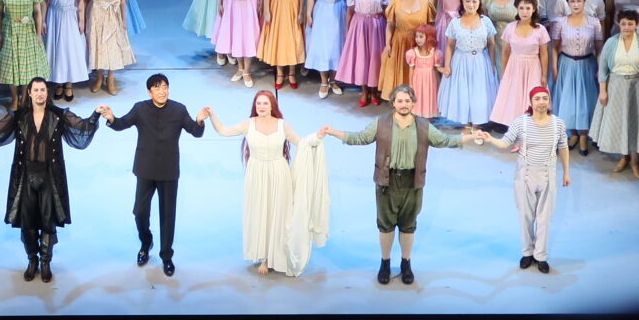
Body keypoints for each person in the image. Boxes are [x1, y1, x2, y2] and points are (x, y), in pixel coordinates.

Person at [320, 83, 467, 286]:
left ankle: (406, 263)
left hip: (412, 182)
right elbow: (360, 138)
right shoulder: (381, 123)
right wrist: (333, 132)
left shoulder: (423, 125)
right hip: (387, 181)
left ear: (413, 103)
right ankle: (385, 263)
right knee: (386, 225)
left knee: (409, 225)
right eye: (400, 101)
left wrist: (470, 137)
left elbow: (444, 140)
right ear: (393, 103)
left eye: (407, 100)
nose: (404, 104)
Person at [0, 79, 101, 282]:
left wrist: (96, 114)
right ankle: (32, 260)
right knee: (28, 223)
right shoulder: (19, 116)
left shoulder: (59, 115)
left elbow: (82, 128)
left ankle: (45, 262)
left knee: (48, 221)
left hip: (50, 176)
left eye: (43, 89)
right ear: (30, 93)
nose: (40, 93)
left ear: (47, 93)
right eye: (36, 90)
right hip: (25, 175)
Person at [204, 90, 325, 276]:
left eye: (265, 103)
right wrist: (212, 115)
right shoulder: (249, 124)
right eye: (258, 103)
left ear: (272, 106)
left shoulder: (282, 125)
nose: (261, 107)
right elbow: (223, 131)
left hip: (279, 173)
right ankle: (264, 257)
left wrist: (316, 138)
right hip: (256, 174)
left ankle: (275, 255)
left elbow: (302, 143)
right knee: (260, 213)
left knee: (278, 214)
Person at [97, 75, 205, 275]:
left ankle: (167, 256)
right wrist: (111, 118)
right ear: (149, 92)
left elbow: (195, 131)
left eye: (165, 87)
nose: (162, 91)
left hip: (169, 171)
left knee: (168, 216)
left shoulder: (179, 109)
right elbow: (122, 123)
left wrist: (199, 120)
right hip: (145, 169)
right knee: (140, 212)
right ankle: (146, 243)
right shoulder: (140, 108)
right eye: (157, 88)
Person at [472, 87, 571, 274]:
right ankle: (527, 252)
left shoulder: (558, 124)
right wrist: (491, 139)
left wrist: (566, 172)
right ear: (531, 102)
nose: (541, 102)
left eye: (545, 98)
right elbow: (505, 142)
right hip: (525, 175)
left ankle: (541, 256)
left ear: (549, 101)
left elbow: (563, 148)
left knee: (545, 218)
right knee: (526, 216)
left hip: (548, 174)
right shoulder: (521, 122)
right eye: (537, 99)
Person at [593, 9, 639, 178]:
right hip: (616, 86)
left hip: (636, 87)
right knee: (620, 122)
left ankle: (635, 162)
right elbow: (603, 69)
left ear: (636, 25)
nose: (626, 27)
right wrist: (603, 91)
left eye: (630, 24)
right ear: (619, 24)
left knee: (635, 123)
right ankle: (623, 158)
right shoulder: (611, 43)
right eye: (623, 24)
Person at [438, 0, 500, 137]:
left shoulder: (485, 21)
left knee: (479, 93)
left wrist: (492, 64)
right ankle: (466, 124)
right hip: (461, 60)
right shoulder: (455, 22)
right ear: (462, 2)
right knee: (463, 92)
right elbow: (450, 45)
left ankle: (477, 124)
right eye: (467, 1)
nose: (471, 4)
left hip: (481, 60)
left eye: (474, 1)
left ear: (479, 2)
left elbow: (491, 44)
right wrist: (447, 65)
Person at [489, 0, 554, 132]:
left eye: (528, 8)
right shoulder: (510, 27)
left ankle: (532, 130)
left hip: (533, 67)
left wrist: (544, 75)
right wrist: (505, 72)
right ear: (517, 9)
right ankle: (516, 130)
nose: (524, 11)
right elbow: (505, 52)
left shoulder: (540, 29)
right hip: (514, 66)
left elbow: (544, 54)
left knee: (533, 97)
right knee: (514, 97)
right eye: (521, 8)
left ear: (534, 9)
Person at [550, 0, 602, 154]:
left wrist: (600, 68)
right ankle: (573, 133)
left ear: (585, 1)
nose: (576, 4)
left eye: (579, 0)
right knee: (569, 100)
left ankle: (584, 136)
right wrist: (554, 67)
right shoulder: (560, 22)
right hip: (567, 64)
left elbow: (599, 48)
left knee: (586, 101)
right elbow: (554, 47)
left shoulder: (594, 22)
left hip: (587, 64)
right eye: (572, 1)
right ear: (567, 2)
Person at [39, 0, 90, 100]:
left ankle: (69, 84)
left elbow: (80, 1)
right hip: (54, 16)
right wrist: (42, 20)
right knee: (56, 50)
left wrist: (81, 20)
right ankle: (58, 83)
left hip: (70, 16)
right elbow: (44, 1)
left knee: (69, 50)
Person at [337, 0, 389, 105]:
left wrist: (389, 30)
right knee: (362, 58)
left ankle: (374, 91)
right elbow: (350, 10)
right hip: (359, 25)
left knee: (375, 57)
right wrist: (348, 30)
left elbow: (386, 9)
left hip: (377, 25)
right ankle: (364, 91)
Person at [84, 0, 134, 96]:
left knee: (112, 46)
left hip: (112, 14)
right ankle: (99, 77)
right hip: (95, 14)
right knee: (97, 46)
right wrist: (83, 19)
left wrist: (124, 19)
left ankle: (111, 78)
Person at [376, 0, 432, 98]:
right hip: (399, 42)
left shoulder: (425, 3)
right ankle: (401, 99)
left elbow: (430, 26)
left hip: (418, 43)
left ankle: (417, 98)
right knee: (400, 69)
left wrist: (428, 44)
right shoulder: (395, 2)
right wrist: (388, 44)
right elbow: (390, 25)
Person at [304, 0, 347, 97]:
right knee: (322, 44)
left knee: (336, 45)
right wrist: (308, 13)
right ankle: (323, 81)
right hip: (321, 9)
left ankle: (334, 80)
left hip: (338, 10)